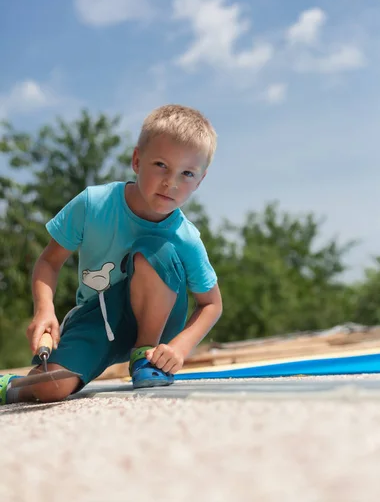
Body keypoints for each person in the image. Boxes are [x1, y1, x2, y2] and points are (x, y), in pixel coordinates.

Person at [0, 104, 222, 405]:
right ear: (136, 160)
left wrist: (180, 348)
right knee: (51, 386)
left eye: (187, 173)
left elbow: (211, 304)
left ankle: (144, 356)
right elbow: (49, 262)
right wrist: (44, 310)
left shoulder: (185, 236)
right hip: (97, 318)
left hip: (158, 327)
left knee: (156, 249)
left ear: (200, 180)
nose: (171, 182)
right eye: (160, 165)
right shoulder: (93, 204)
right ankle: (14, 384)